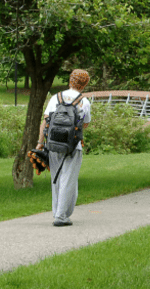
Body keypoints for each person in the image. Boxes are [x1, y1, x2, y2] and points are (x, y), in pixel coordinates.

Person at [37, 69, 92, 227]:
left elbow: (46, 121)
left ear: (70, 80)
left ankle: (58, 213)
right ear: (84, 84)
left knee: (56, 178)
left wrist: (40, 143)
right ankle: (61, 216)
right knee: (69, 179)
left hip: (53, 144)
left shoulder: (56, 97)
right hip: (73, 146)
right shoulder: (84, 101)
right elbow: (85, 124)